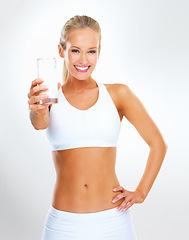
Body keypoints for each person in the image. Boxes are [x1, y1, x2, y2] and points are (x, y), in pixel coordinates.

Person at [27, 15, 168, 240]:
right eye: (75, 50)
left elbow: (158, 144)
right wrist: (37, 109)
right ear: (62, 50)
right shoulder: (50, 97)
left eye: (91, 51)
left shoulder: (118, 94)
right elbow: (38, 123)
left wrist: (141, 192)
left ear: (99, 53)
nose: (84, 59)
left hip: (113, 221)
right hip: (63, 224)